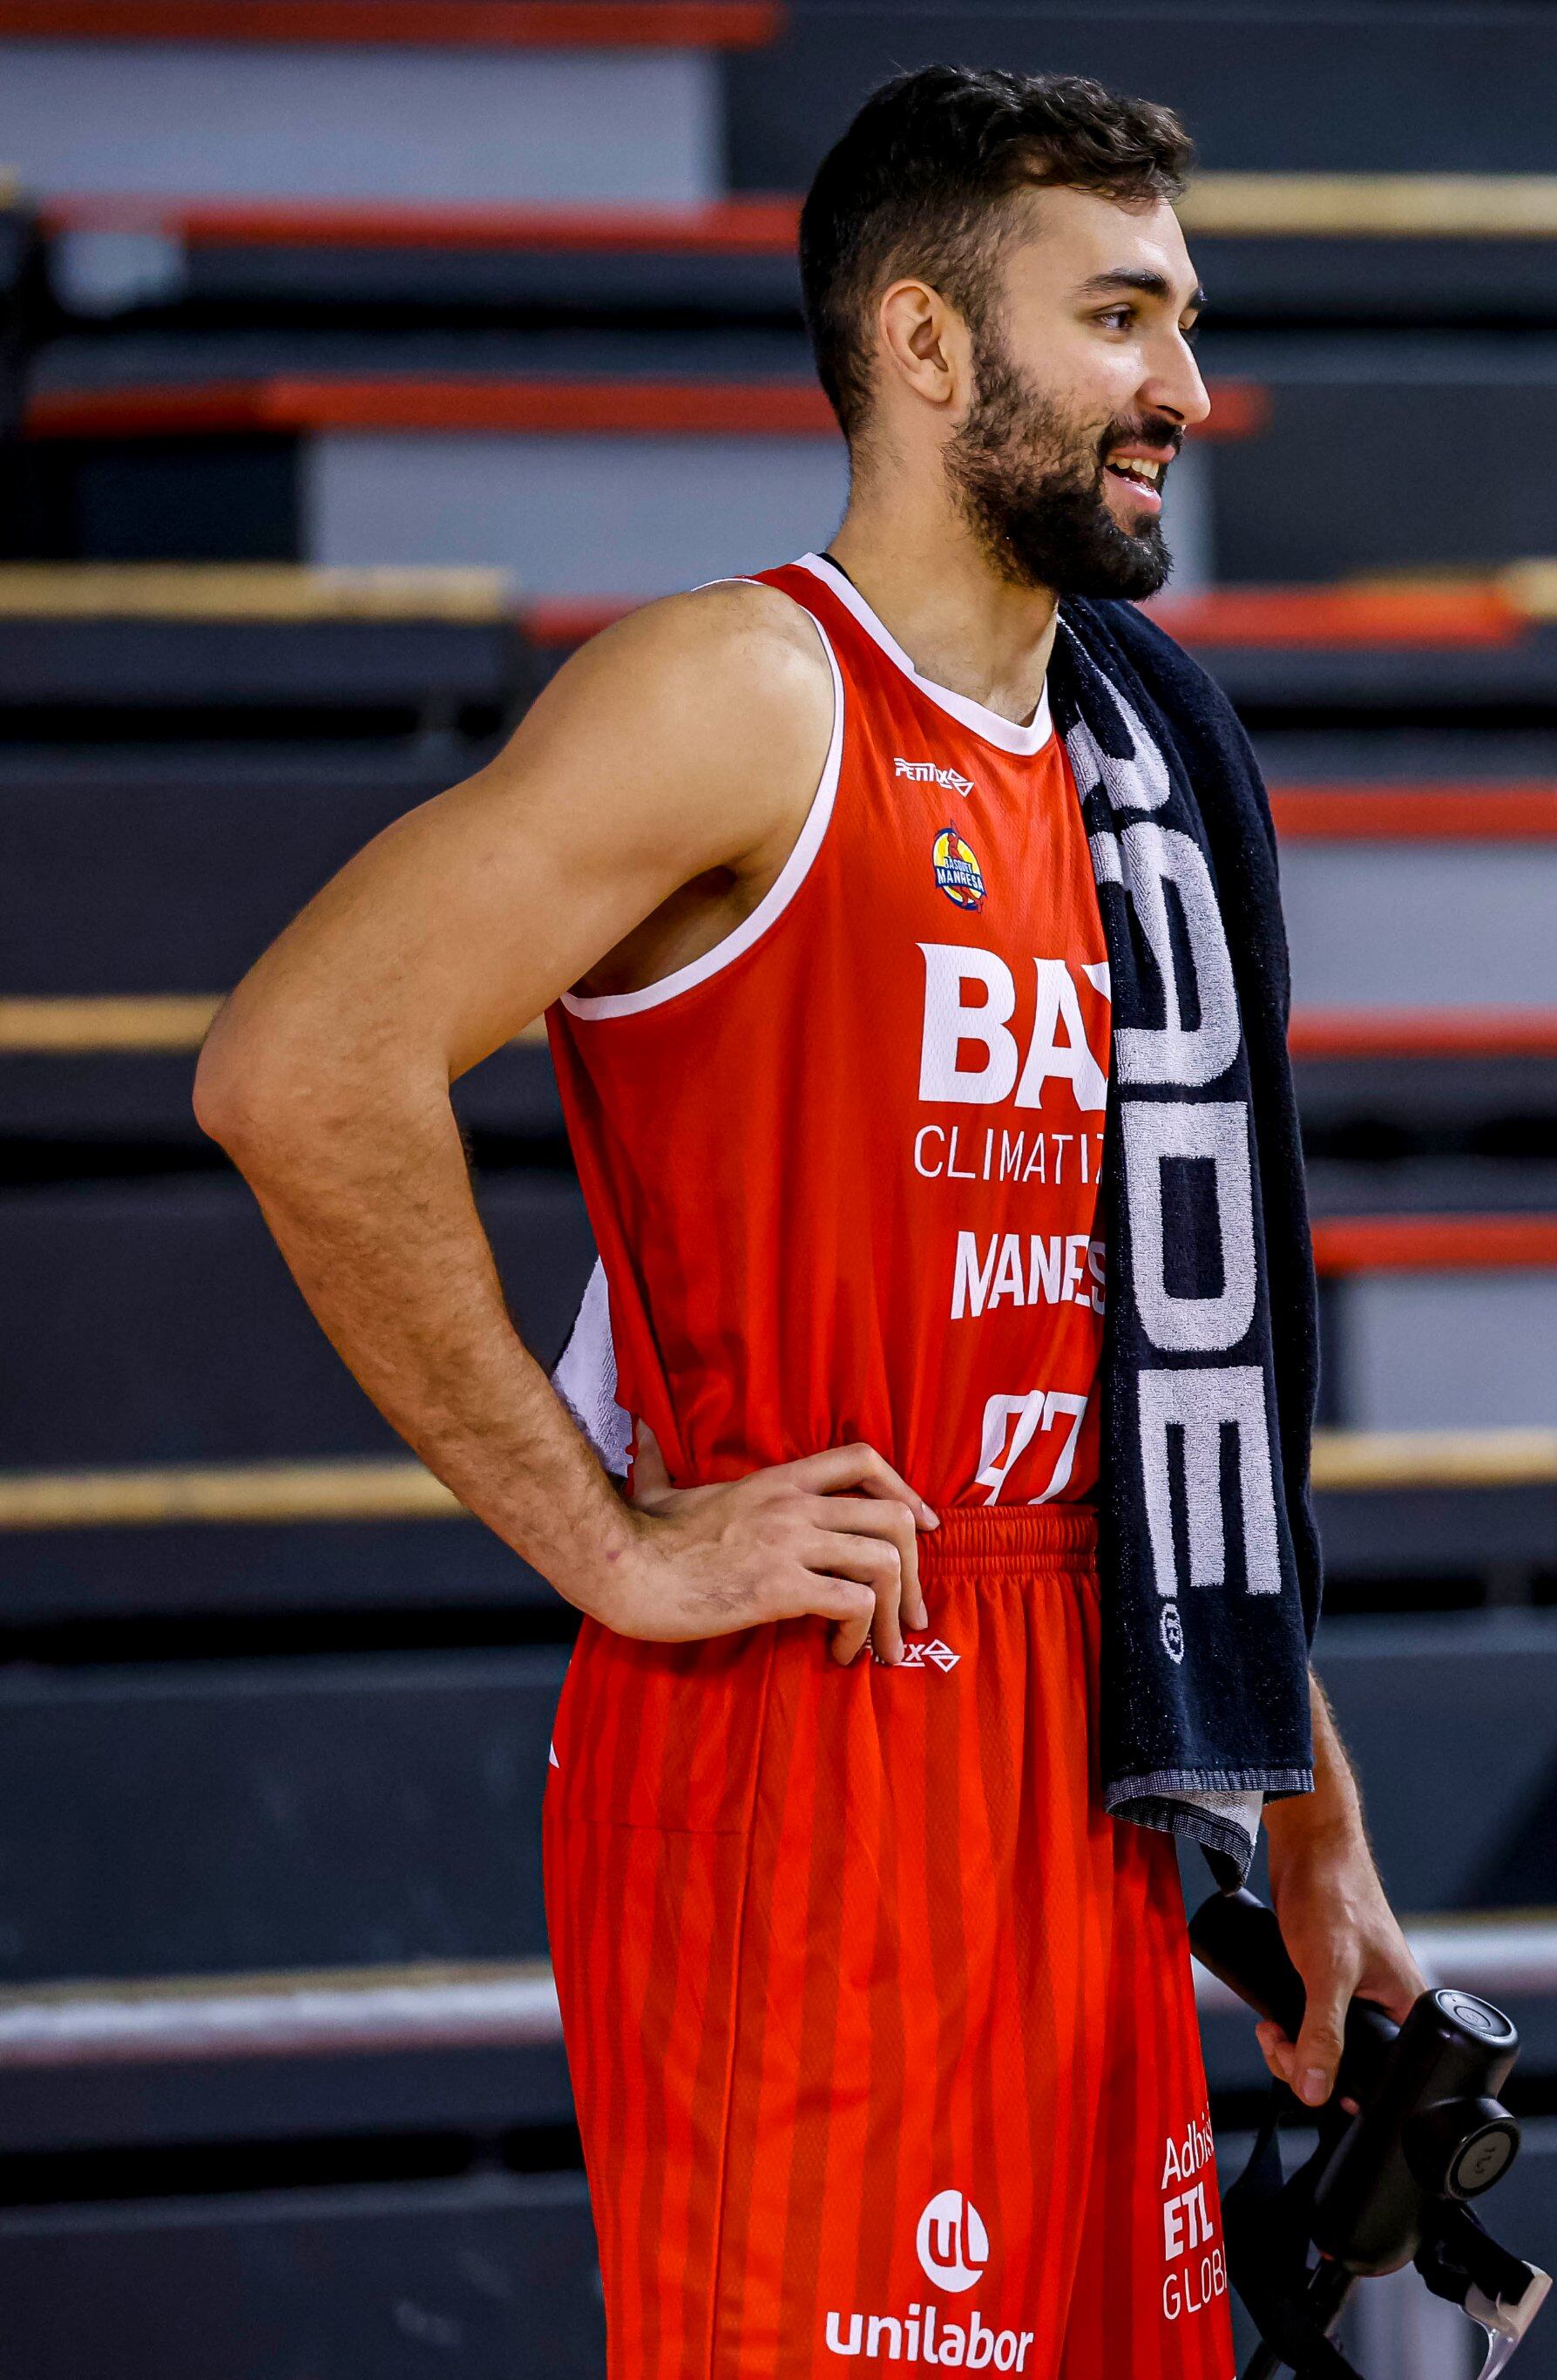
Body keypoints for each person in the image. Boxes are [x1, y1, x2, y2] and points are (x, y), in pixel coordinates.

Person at [194, 67, 1420, 2378]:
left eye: (1186, 317)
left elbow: (1158, 1356)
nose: (1184, 384)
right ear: (926, 342)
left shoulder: (1140, 752)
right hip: (813, 1728)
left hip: (1094, 1740)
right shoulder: (744, 694)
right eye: (1125, 317)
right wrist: (617, 1542)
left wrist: (1301, 1783)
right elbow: (296, 1065)